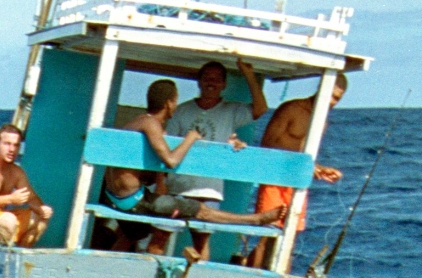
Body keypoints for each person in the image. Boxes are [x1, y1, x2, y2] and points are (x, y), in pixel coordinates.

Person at [101, 80, 284, 257]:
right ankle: (256, 219)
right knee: (201, 211)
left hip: (118, 196)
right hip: (134, 200)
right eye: (175, 100)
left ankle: (108, 265)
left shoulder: (138, 122)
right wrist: (191, 137)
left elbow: (144, 172)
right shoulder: (151, 124)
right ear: (169, 103)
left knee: (135, 233)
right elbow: (171, 161)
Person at [248, 72, 346, 268]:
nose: (332, 102)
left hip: (296, 183)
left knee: (289, 239)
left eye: (337, 99)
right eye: (331, 96)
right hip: (275, 179)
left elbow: (305, 156)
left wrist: (319, 169)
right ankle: (252, 275)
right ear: (322, 89)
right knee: (267, 235)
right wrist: (300, 165)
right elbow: (267, 145)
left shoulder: (322, 121)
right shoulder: (291, 109)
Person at [166, 58, 268, 216]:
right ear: (199, 82)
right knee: (161, 235)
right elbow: (168, 147)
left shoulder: (231, 111)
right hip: (179, 186)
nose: (211, 83)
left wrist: (248, 74)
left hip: (210, 188)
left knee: (202, 239)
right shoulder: (181, 110)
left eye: (217, 79)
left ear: (224, 84)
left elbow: (261, 109)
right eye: (207, 78)